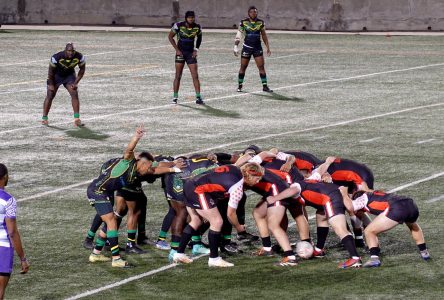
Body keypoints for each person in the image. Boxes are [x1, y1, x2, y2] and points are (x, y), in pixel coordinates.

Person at [87, 125, 155, 268]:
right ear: (142, 163)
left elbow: (157, 168)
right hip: (98, 191)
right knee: (112, 221)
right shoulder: (128, 163)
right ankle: (116, 259)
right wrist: (136, 137)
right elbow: (129, 150)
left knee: (110, 223)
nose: (149, 170)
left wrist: (173, 167)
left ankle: (95, 254)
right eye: (148, 167)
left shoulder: (135, 174)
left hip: (104, 192)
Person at [172, 162, 264, 267]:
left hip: (190, 184)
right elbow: (230, 214)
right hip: (198, 190)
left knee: (196, 220)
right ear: (250, 175)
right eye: (257, 178)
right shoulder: (237, 188)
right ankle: (214, 259)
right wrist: (239, 228)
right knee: (217, 221)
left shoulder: (235, 168)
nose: (258, 182)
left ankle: (179, 254)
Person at [349, 190, 430, 267]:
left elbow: (349, 208)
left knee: (369, 231)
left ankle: (374, 259)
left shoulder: (361, 199)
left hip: (396, 207)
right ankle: (424, 252)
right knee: (413, 226)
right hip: (411, 204)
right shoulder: (375, 195)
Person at [0, 164, 30, 299]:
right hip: (3, 249)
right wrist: (22, 258)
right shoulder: (8, 200)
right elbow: (12, 232)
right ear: (5, 177)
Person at [42, 43, 86, 127]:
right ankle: (44, 118)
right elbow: (50, 72)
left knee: (74, 92)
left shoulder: (79, 57)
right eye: (69, 51)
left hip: (69, 76)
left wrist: (76, 82)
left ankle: (77, 119)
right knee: (50, 95)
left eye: (72, 51)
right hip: (56, 76)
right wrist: (51, 83)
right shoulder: (56, 57)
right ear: (65, 50)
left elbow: (82, 70)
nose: (71, 53)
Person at [234, 6, 272, 93]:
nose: (253, 13)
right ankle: (239, 86)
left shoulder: (261, 22)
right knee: (243, 67)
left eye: (255, 12)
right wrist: (235, 46)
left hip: (257, 47)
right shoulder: (243, 22)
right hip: (247, 47)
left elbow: (264, 35)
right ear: (248, 13)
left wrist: (268, 47)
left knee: (261, 67)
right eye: (251, 12)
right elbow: (239, 34)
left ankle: (265, 86)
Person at [168, 11, 204, 105]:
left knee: (195, 75)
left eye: (192, 17)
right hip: (180, 54)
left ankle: (198, 97)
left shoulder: (197, 27)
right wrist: (177, 50)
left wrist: (196, 50)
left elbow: (199, 38)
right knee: (178, 76)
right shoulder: (178, 25)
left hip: (190, 54)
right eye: (189, 17)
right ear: (186, 18)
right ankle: (175, 97)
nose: (191, 19)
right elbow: (170, 37)